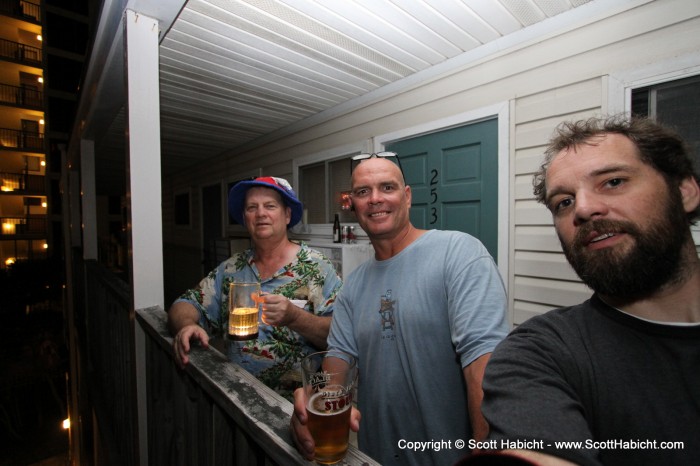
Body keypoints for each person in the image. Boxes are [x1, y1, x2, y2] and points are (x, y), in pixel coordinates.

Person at [479, 116, 700, 465]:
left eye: (613, 181)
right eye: (564, 202)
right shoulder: (540, 353)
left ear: (685, 191)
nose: (583, 209)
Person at [291, 154, 509, 466]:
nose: (375, 199)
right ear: (352, 203)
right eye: (363, 192)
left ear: (406, 196)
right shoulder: (353, 285)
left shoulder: (459, 253)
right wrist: (316, 403)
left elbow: (484, 364)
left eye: (387, 187)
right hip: (374, 456)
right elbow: (337, 363)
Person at [168, 176, 342, 399]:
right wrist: (185, 326)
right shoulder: (231, 269)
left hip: (295, 408)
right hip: (234, 399)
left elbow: (340, 336)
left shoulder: (318, 268)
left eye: (270, 206)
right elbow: (184, 304)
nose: (261, 213)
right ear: (245, 218)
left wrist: (295, 317)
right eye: (252, 207)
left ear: (287, 215)